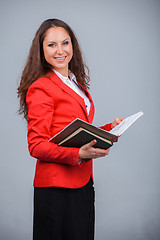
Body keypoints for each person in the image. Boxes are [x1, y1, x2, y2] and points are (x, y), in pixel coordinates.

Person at [17, 18, 123, 240]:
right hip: (57, 190)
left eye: (65, 43)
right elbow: (36, 146)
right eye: (51, 45)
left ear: (73, 45)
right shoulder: (41, 87)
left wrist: (109, 129)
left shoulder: (74, 83)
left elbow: (75, 130)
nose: (60, 51)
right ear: (41, 50)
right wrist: (78, 154)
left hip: (83, 183)